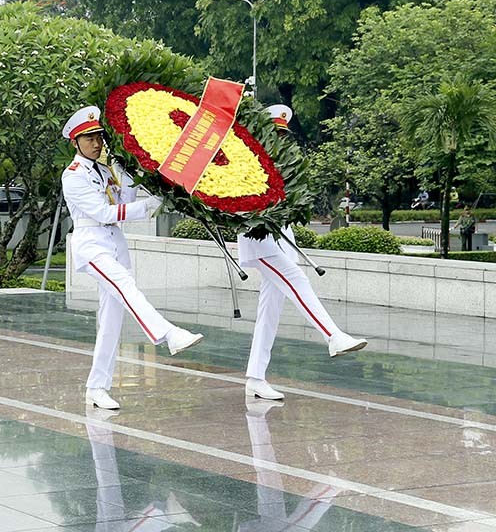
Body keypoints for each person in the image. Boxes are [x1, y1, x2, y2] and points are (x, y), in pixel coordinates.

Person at [61, 105, 204, 411]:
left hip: (114, 242)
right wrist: (149, 206)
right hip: (92, 244)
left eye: (99, 136)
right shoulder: (73, 175)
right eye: (88, 139)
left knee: (111, 320)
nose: (96, 143)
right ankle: (168, 334)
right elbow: (102, 213)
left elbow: (123, 202)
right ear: (75, 142)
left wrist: (127, 170)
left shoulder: (105, 169)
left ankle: (96, 387)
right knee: (125, 285)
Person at [237, 106, 367, 402]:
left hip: (281, 239)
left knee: (269, 312)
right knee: (297, 281)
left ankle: (256, 378)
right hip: (260, 240)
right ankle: (333, 336)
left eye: (283, 134)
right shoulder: (246, 161)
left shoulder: (283, 166)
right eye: (275, 134)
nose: (281, 139)